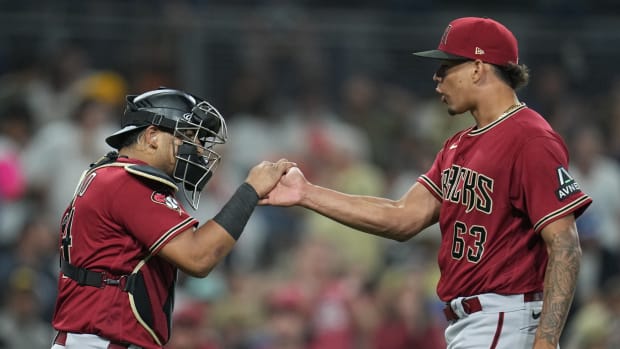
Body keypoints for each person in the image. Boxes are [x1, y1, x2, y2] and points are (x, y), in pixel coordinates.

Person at [261, 17, 592, 349]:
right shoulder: (458, 145)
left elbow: (565, 245)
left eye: (445, 67)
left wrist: (546, 342)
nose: (436, 81)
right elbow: (401, 217)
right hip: (472, 324)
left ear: (478, 68)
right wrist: (306, 193)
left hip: (504, 318)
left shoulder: (529, 137)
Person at [50, 87, 295, 349]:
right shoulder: (128, 181)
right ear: (152, 136)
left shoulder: (109, 176)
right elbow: (198, 257)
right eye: (188, 135)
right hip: (101, 341)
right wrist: (250, 191)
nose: (198, 149)